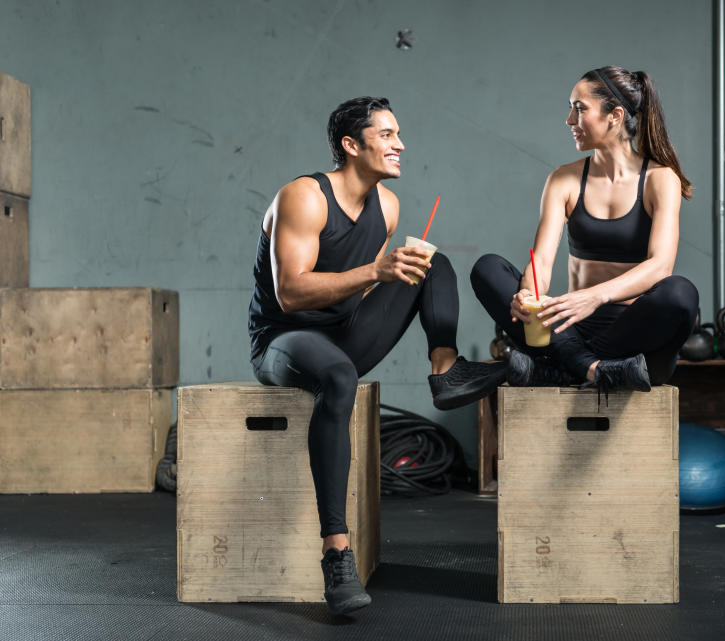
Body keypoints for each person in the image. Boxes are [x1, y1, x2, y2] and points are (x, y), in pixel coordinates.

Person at [248, 96, 505, 615]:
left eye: (397, 134)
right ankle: (336, 553)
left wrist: (391, 276)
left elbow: (360, 293)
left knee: (430, 264)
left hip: (341, 334)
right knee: (338, 376)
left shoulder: (386, 206)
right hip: (282, 341)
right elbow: (291, 295)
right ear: (351, 145)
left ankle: (446, 368)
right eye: (387, 135)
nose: (400, 144)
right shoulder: (304, 196)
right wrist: (376, 272)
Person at [471, 67, 699, 395]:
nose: (569, 120)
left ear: (615, 115)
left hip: (635, 337)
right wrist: (528, 295)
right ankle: (592, 369)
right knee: (488, 269)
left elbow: (660, 265)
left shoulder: (660, 179)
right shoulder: (563, 179)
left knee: (680, 293)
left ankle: (561, 368)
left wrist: (593, 296)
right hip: (570, 327)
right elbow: (542, 262)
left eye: (579, 109)